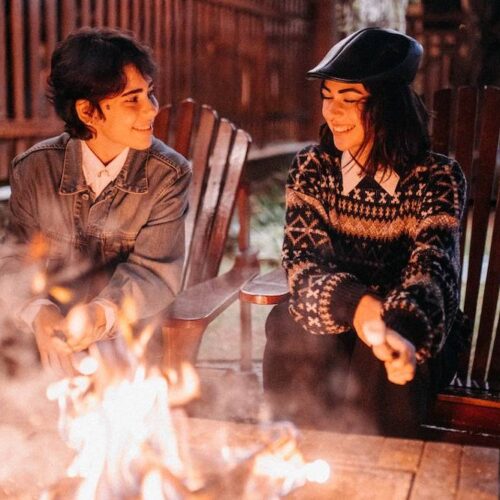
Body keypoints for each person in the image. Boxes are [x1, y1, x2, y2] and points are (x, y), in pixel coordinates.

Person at [263, 27, 470, 437]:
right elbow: (302, 264)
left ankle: (378, 475)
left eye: (349, 99)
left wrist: (398, 329)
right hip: (337, 320)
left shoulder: (439, 177)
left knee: (380, 350)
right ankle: (291, 458)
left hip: (410, 332)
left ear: (388, 107)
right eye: (328, 97)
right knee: (289, 325)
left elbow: (434, 268)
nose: (332, 112)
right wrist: (358, 307)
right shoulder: (313, 168)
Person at [1, 28, 191, 375]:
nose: (151, 110)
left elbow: (155, 273)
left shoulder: (168, 173)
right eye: (131, 100)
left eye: (149, 94)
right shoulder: (34, 169)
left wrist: (100, 314)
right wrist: (38, 311)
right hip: (46, 340)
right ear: (88, 112)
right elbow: (16, 261)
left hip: (131, 336)